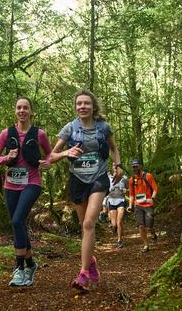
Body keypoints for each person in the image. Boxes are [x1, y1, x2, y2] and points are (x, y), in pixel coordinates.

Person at [50, 89, 122, 292]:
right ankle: (91, 262)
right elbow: (51, 156)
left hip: (98, 178)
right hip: (77, 180)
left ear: (93, 107)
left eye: (86, 103)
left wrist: (118, 165)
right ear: (75, 107)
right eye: (79, 104)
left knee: (90, 222)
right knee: (84, 227)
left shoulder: (103, 127)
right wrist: (66, 152)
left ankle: (83, 274)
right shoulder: (69, 128)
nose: (83, 106)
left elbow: (114, 149)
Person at [0, 97, 52, 287]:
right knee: (19, 224)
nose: (22, 110)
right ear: (15, 111)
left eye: (25, 108)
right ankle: (31, 264)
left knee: (17, 220)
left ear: (32, 112)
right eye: (19, 108)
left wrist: (47, 163)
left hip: (32, 183)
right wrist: (6, 157)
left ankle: (19, 268)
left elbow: (49, 154)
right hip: (10, 186)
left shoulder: (39, 134)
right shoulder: (6, 133)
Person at [127, 158, 158, 253]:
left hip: (148, 205)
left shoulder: (148, 176)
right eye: (133, 167)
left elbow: (155, 189)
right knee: (141, 226)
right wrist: (130, 205)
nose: (135, 168)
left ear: (140, 166)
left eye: (136, 166)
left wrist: (152, 199)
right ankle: (146, 245)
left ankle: (153, 233)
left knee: (149, 226)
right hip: (138, 205)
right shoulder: (132, 179)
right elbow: (132, 194)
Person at [107, 167, 128, 248]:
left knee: (119, 221)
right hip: (111, 200)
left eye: (117, 166)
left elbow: (129, 189)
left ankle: (119, 240)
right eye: (114, 166)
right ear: (112, 168)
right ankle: (118, 230)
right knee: (114, 224)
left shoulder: (124, 178)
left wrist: (126, 190)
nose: (115, 167)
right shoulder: (109, 177)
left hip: (121, 200)